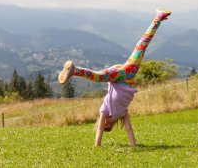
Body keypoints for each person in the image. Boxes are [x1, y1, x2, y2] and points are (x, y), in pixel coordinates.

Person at [58, 9, 171, 147]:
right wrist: (134, 145)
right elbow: (129, 129)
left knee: (99, 76)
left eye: (105, 125)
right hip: (127, 77)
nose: (107, 124)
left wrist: (97, 146)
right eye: (109, 127)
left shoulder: (104, 110)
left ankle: (75, 71)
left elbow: (99, 130)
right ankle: (158, 19)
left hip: (118, 76)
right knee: (142, 47)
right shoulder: (123, 113)